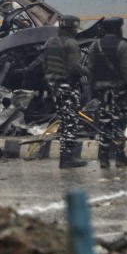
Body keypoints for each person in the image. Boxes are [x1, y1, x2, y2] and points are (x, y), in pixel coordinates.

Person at [86, 17, 127, 168]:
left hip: (101, 91)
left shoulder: (95, 46)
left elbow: (90, 71)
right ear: (116, 28)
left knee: (104, 123)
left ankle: (103, 158)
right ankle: (120, 157)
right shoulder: (122, 46)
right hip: (118, 91)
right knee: (119, 123)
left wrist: (91, 91)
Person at [42, 14, 87, 169]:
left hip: (54, 86)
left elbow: (44, 64)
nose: (76, 30)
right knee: (70, 121)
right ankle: (67, 158)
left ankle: (66, 156)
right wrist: (90, 72)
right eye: (75, 27)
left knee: (63, 119)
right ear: (71, 28)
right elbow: (75, 67)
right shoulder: (71, 43)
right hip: (68, 85)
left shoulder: (50, 42)